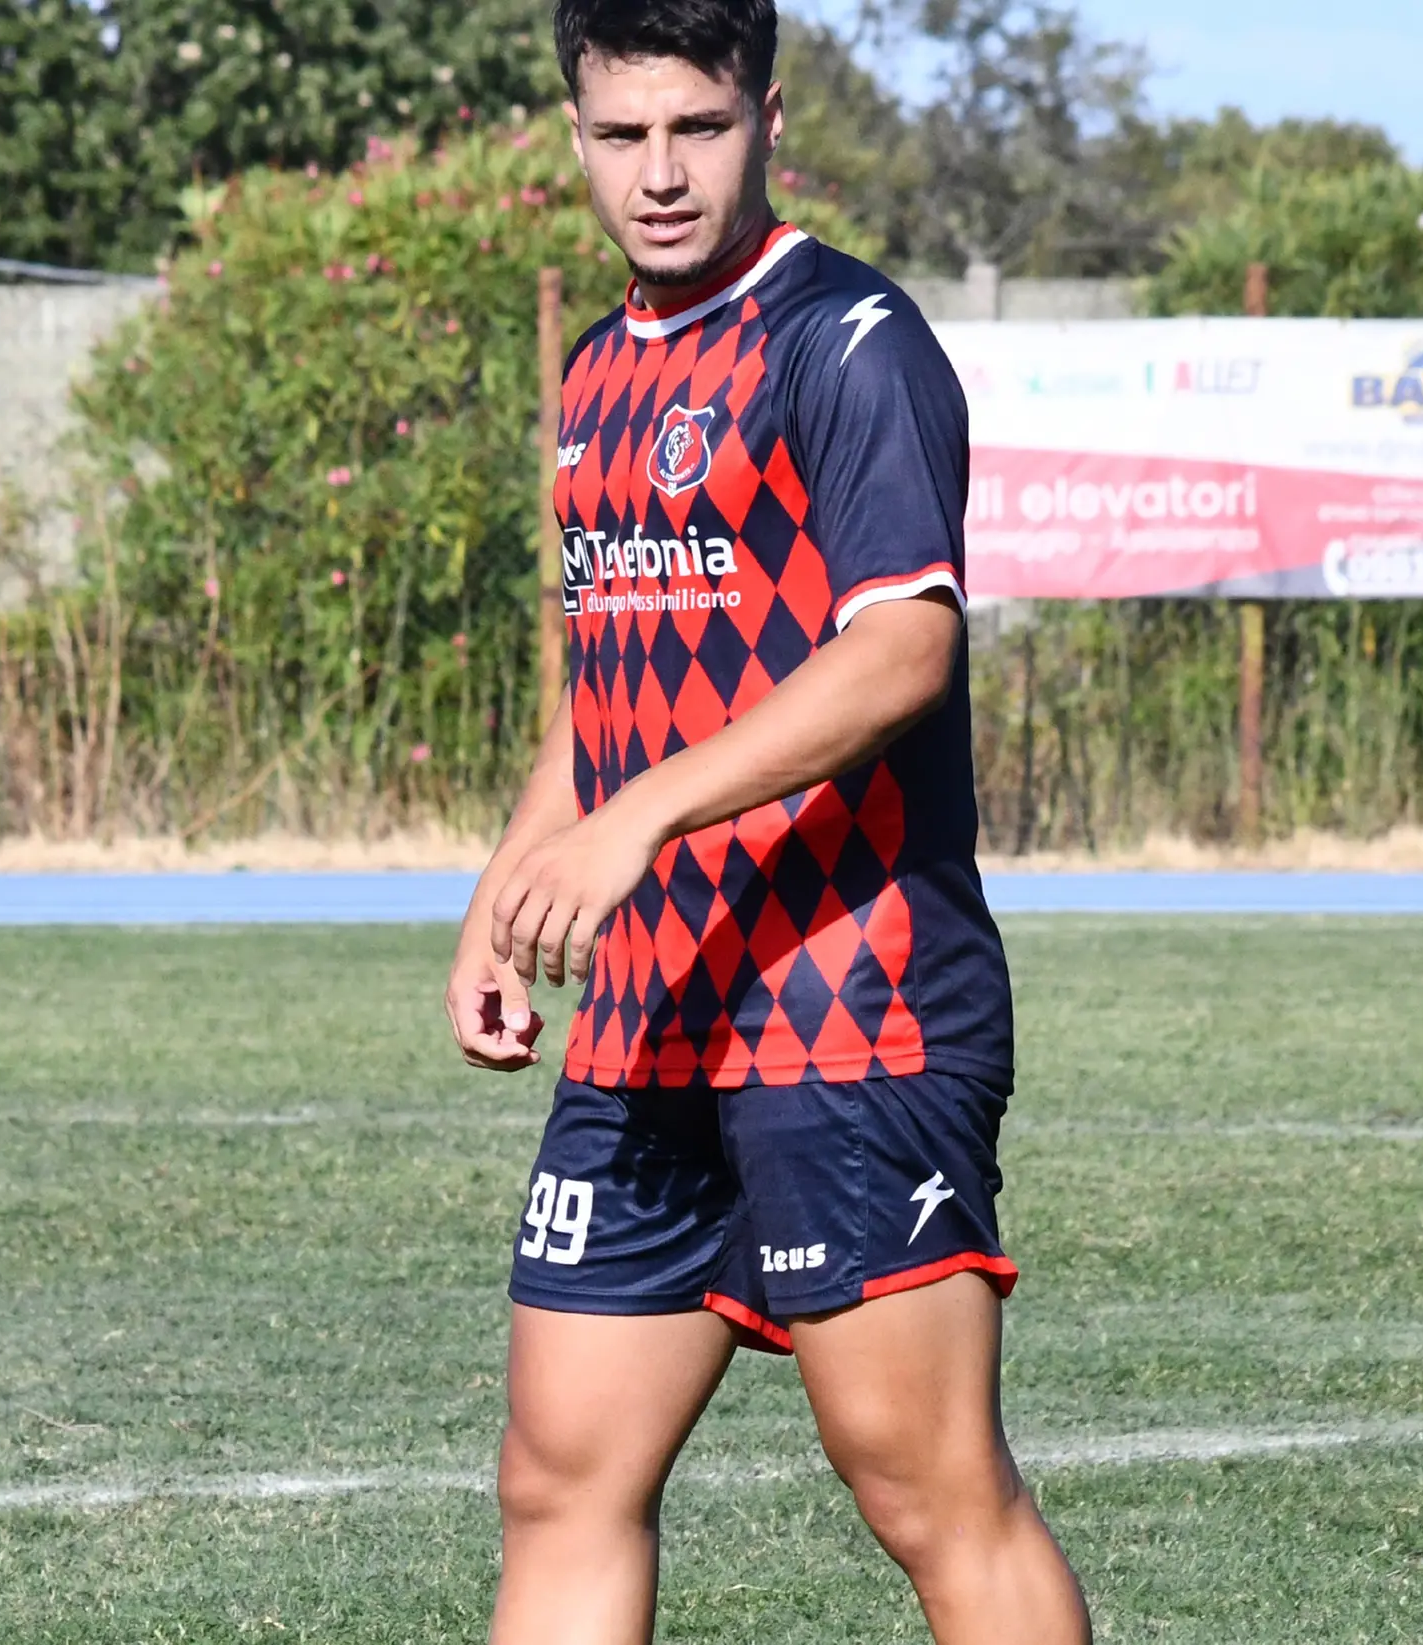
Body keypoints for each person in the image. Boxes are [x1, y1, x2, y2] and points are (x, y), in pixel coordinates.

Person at [443, 1, 1091, 1639]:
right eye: (621, 134)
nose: (658, 173)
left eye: (697, 129)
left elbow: (901, 649)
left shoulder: (849, 342)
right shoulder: (601, 370)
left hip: (848, 1011)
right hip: (653, 1022)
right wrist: (509, 890)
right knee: (558, 1473)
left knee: (927, 1491)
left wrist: (637, 826)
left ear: (768, 118)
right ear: (576, 130)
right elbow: (611, 684)